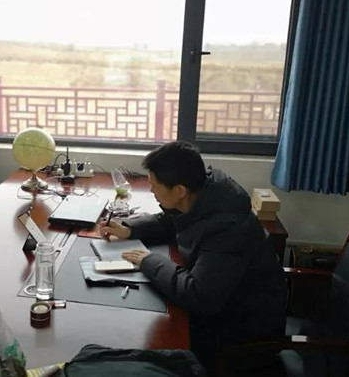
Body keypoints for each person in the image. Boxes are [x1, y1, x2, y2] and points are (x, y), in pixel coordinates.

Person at [100, 141, 286, 371]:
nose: (151, 191)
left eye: (154, 185)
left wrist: (149, 260)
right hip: (223, 308)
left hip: (240, 333)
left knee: (141, 349)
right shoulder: (205, 195)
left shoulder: (228, 230)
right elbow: (174, 220)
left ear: (179, 191)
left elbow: (198, 295)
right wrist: (130, 229)